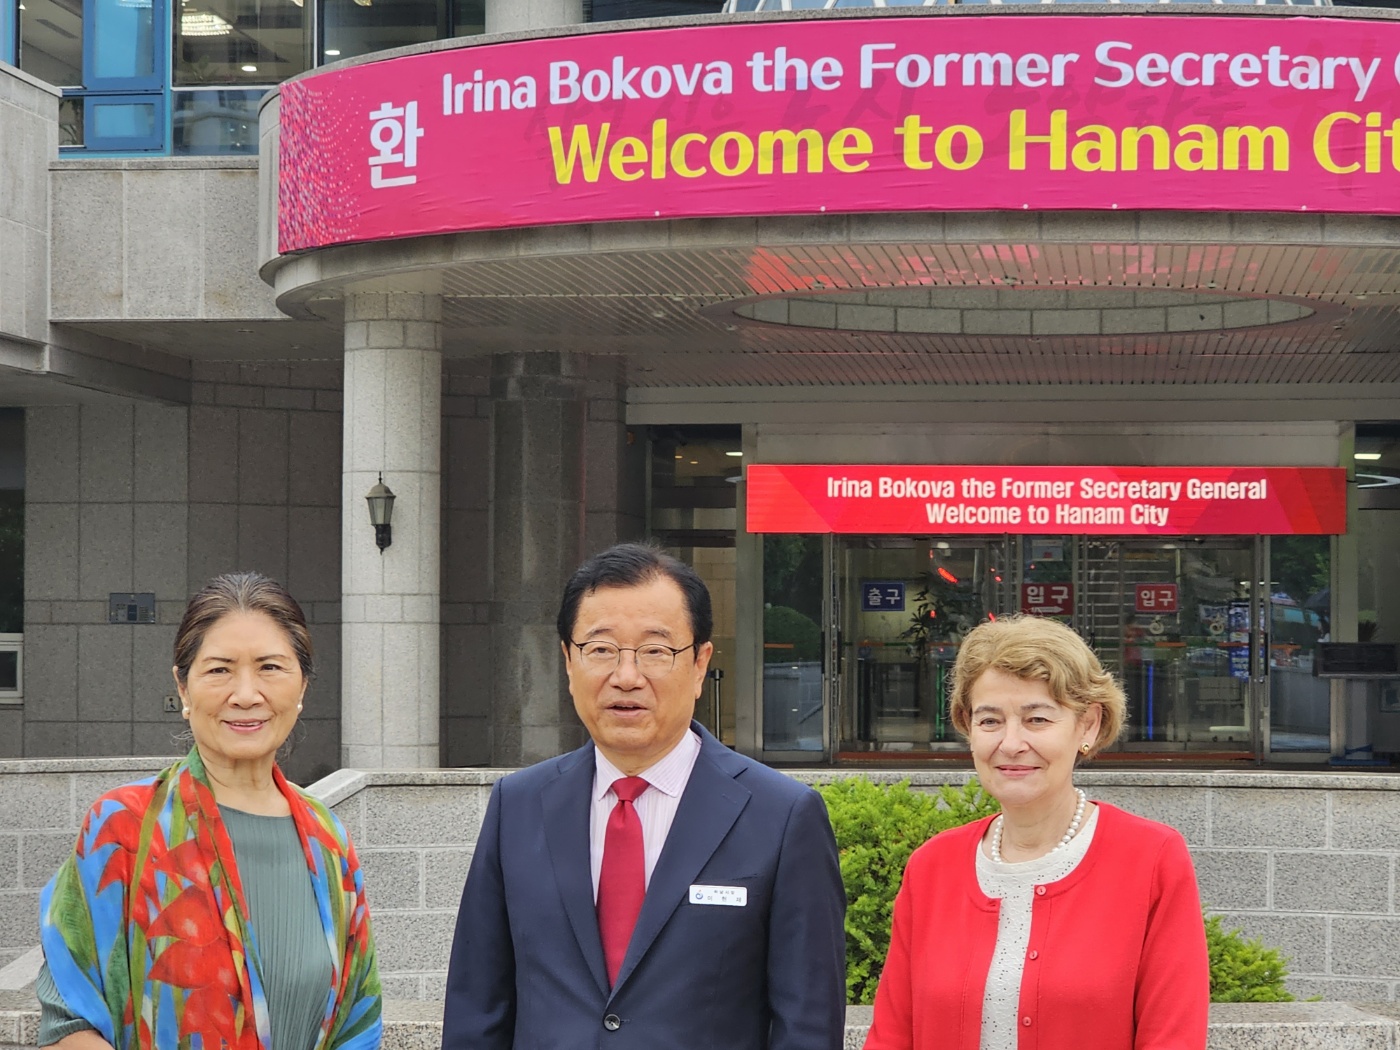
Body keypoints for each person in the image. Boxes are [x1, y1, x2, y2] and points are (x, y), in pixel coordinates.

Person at [442, 542, 847, 1050]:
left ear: (700, 664)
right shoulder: (517, 806)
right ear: (568, 661)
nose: (626, 676)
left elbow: (807, 1027)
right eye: (601, 649)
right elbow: (477, 1010)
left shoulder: (782, 816)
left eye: (655, 650)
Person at [38, 572, 382, 1050]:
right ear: (183, 687)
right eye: (219, 669)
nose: (245, 694)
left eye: (270, 668)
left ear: (302, 686)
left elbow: (356, 1022)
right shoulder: (124, 827)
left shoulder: (329, 843)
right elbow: (67, 1023)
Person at [864, 614, 1209, 1050]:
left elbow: (1172, 1038)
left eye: (1037, 720)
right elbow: (891, 1036)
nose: (1010, 743)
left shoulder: (1151, 858)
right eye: (990, 721)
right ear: (968, 729)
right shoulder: (933, 866)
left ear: (1087, 725)